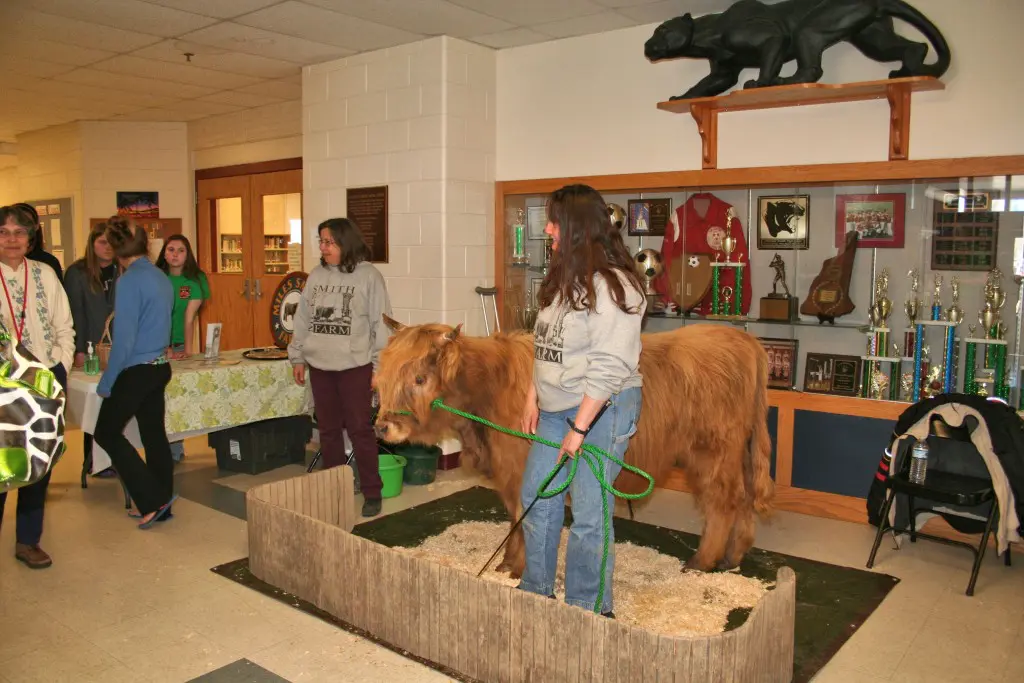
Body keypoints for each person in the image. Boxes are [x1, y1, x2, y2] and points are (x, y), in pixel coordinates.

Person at [518, 184, 646, 617]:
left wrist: (579, 427)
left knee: (591, 511)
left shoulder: (615, 286)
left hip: (603, 408)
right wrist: (533, 395)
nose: (548, 229)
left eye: (554, 220)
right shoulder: (562, 278)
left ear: (576, 226)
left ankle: (587, 609)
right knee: (537, 494)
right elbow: (546, 344)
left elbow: (610, 366)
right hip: (558, 407)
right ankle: (535, 593)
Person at [288, 217, 392, 518]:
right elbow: (303, 319)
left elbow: (380, 324)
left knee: (360, 430)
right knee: (328, 431)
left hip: (355, 367)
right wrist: (297, 357)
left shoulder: (369, 276)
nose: (323, 247)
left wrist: (378, 367)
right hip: (320, 365)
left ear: (346, 243)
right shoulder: (316, 275)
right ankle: (332, 490)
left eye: (329, 242)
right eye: (321, 241)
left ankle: (372, 491)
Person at [0, 205, 75, 568]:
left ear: (31, 239)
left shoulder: (45, 273)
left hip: (44, 381)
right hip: (1, 386)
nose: (11, 239)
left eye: (19, 232)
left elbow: (65, 325)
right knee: (0, 464)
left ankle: (28, 541)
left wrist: (61, 364)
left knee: (36, 462)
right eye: (3, 232)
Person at [93, 216, 176, 529]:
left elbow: (124, 341)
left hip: (139, 369)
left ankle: (151, 499)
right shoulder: (159, 276)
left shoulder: (128, 281)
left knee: (106, 432)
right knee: (153, 434)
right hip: (158, 367)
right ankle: (162, 500)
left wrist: (107, 381)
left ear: (115, 250)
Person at [63, 222, 119, 478]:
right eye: (102, 242)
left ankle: (116, 457)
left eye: (112, 242)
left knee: (117, 402)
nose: (107, 248)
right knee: (94, 401)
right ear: (92, 243)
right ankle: (93, 460)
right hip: (90, 345)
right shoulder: (77, 272)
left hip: (119, 344)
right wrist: (79, 349)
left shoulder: (123, 269)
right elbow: (75, 313)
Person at [155, 234, 209, 463]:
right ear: (164, 254)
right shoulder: (157, 279)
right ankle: (163, 449)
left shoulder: (195, 280)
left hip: (180, 343)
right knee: (161, 399)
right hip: (156, 346)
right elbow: (158, 317)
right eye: (170, 249)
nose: (175, 254)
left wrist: (187, 351)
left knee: (177, 397)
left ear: (188, 254)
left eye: (181, 250)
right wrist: (164, 348)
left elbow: (190, 319)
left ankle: (176, 450)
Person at [12, 203, 64, 283]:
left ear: (36, 226)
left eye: (26, 223)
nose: (21, 228)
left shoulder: (49, 262)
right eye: (16, 222)